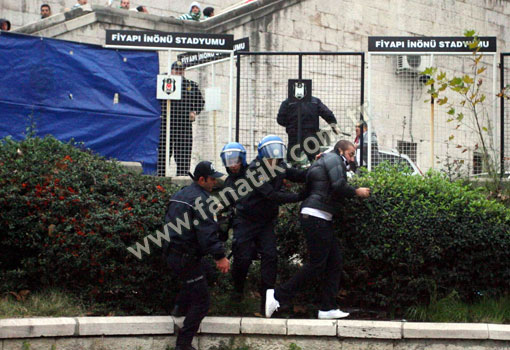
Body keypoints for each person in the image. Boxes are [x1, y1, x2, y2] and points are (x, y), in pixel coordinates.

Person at [265, 140, 371, 319]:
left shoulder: (324, 161)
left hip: (319, 216)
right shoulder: (334, 159)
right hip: (317, 216)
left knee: (334, 262)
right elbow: (338, 185)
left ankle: (327, 308)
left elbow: (309, 182)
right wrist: (356, 192)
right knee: (316, 264)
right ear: (340, 150)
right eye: (350, 154)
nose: (352, 159)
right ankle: (277, 295)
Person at [231, 135, 306, 312]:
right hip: (246, 220)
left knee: (270, 256)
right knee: (242, 258)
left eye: (277, 156)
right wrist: (299, 197)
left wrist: (316, 168)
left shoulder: (279, 166)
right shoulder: (254, 171)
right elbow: (271, 195)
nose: (274, 160)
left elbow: (295, 174)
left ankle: (267, 298)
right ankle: (237, 291)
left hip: (265, 222)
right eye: (270, 157)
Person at [162, 161, 230, 350]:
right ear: (202, 179)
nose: (215, 182)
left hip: (172, 253)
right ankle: (183, 344)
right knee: (202, 302)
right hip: (185, 257)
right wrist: (220, 257)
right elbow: (206, 234)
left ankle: (179, 307)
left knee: (205, 271)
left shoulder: (181, 193)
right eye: (212, 179)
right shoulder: (202, 200)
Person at [277, 96, 340, 163]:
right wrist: (334, 125)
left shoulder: (288, 102)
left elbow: (280, 119)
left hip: (294, 136)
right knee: (315, 161)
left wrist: (291, 126)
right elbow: (327, 113)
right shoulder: (315, 101)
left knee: (292, 161)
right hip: (311, 135)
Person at [168, 60, 204, 176]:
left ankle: (182, 178)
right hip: (167, 123)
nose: (179, 73)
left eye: (181, 71)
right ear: (172, 71)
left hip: (184, 124)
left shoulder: (190, 86)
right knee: (164, 152)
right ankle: (161, 176)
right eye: (176, 70)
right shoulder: (165, 82)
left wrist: (194, 111)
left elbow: (200, 102)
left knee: (183, 153)